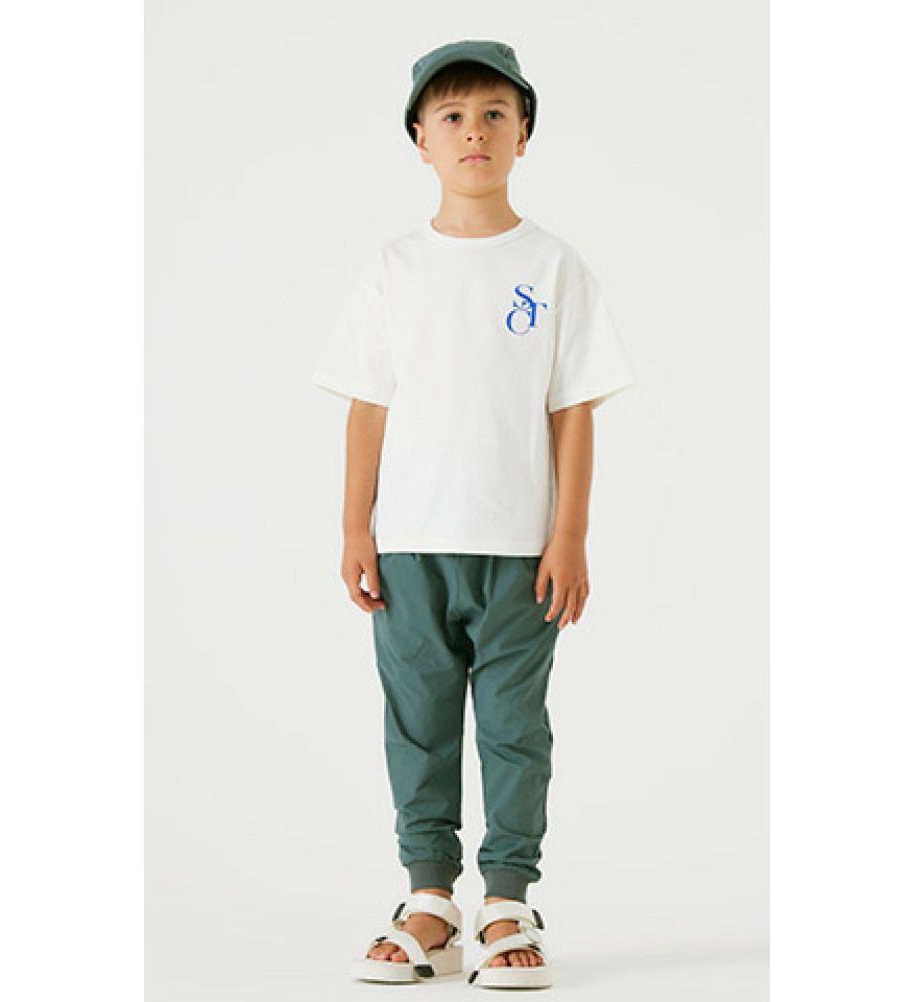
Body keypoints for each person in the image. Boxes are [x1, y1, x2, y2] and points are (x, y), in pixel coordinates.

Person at [311, 39, 636, 989]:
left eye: (495, 113)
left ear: (524, 133)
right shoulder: (393, 268)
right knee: (417, 725)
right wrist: (356, 527)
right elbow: (368, 404)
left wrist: (569, 534)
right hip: (410, 545)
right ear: (420, 139)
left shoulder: (554, 266)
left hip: (520, 549)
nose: (474, 132)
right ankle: (428, 900)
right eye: (451, 116)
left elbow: (572, 409)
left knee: (513, 729)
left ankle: (506, 902)